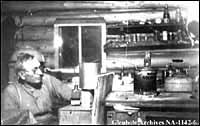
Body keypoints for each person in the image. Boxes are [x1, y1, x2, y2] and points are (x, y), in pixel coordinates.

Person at [2, 53, 73, 124]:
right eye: (34, 70)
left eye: (40, 68)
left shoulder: (47, 80)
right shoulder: (12, 92)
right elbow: (11, 121)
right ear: (22, 75)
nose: (40, 72)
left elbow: (70, 94)